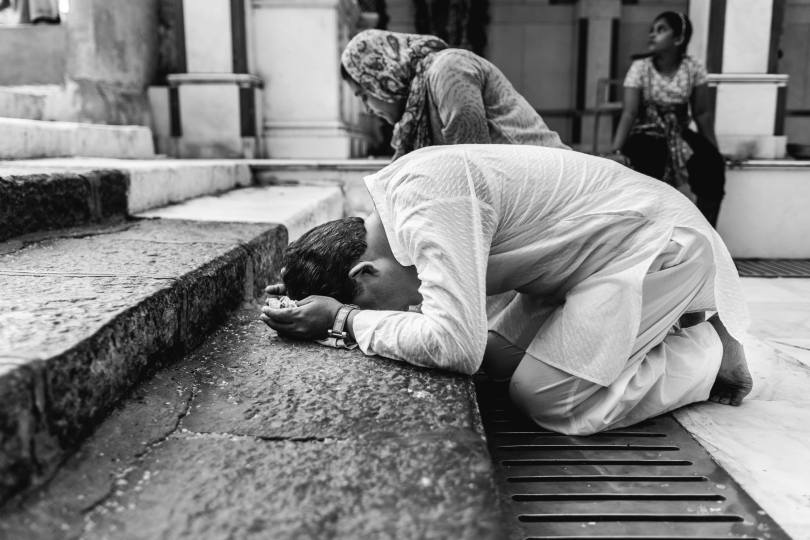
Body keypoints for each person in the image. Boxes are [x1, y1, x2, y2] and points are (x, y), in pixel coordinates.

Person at [261, 144, 753, 436]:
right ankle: (650, 336)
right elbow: (473, 346)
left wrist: (344, 321)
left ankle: (708, 355)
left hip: (652, 243)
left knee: (547, 398)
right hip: (583, 260)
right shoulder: (401, 212)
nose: (403, 307)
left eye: (372, 304)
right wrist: (302, 278)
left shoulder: (428, 206)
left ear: (364, 274)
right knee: (497, 359)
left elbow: (455, 346)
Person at [341, 29, 568, 159]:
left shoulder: (448, 70)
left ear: (380, 76)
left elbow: (472, 169)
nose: (367, 108)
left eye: (364, 95)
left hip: (558, 193)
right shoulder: (414, 114)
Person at [607, 11, 726, 227]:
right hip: (647, 133)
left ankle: (704, 233)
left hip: (680, 135)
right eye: (652, 30)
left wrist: (714, 151)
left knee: (712, 168)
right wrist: (615, 150)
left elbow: (702, 113)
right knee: (648, 170)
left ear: (678, 39)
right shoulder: (640, 68)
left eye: (661, 30)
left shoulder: (693, 68)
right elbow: (629, 113)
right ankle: (650, 235)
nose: (652, 35)